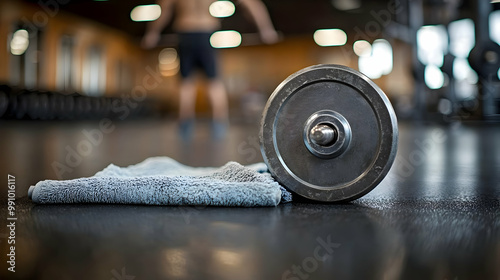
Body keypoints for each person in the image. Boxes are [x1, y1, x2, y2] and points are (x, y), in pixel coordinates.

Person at [142, 0, 279, 141]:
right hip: (206, 32)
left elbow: (164, 9)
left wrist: (152, 33)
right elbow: (252, 3)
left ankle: (186, 122)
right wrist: (266, 29)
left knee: (186, 82)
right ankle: (219, 122)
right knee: (213, 81)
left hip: (186, 33)